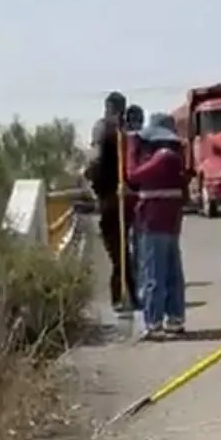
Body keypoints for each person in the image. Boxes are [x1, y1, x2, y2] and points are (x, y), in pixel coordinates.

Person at [127, 113, 188, 339]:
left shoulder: (163, 158)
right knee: (171, 272)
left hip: (154, 222)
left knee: (153, 272)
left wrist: (131, 148)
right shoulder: (172, 158)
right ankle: (174, 318)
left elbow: (132, 175)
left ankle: (153, 322)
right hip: (167, 221)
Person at [85, 91, 138, 310]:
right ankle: (127, 295)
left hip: (110, 197)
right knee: (123, 250)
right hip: (121, 198)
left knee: (119, 251)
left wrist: (89, 178)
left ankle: (122, 297)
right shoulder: (121, 131)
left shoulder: (104, 128)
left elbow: (95, 161)